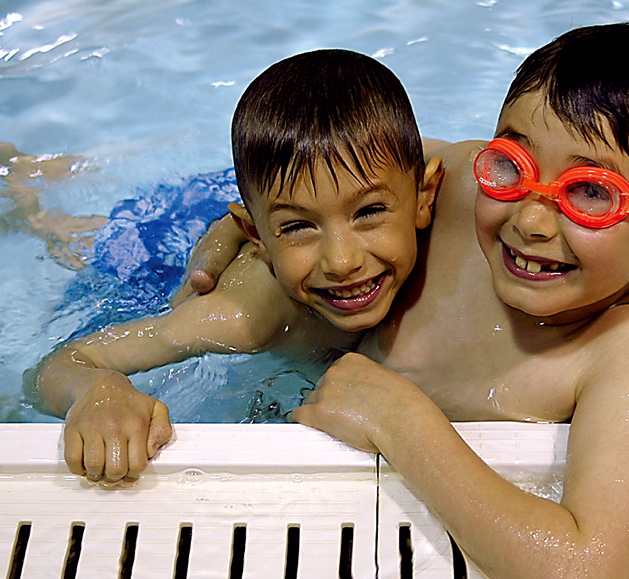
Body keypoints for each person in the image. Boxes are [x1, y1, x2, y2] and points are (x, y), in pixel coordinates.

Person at [182, 23, 629, 579]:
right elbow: (329, 180)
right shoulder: (462, 183)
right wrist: (223, 233)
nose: (531, 221)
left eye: (591, 192)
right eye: (513, 164)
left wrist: (400, 420)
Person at [29, 49, 443, 485]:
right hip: (162, 248)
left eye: (369, 211)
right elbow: (62, 363)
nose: (342, 261)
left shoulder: (454, 236)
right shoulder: (242, 316)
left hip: (271, 190)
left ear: (425, 198)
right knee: (85, 241)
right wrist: (97, 390)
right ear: (255, 235)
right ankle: (30, 194)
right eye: (298, 227)